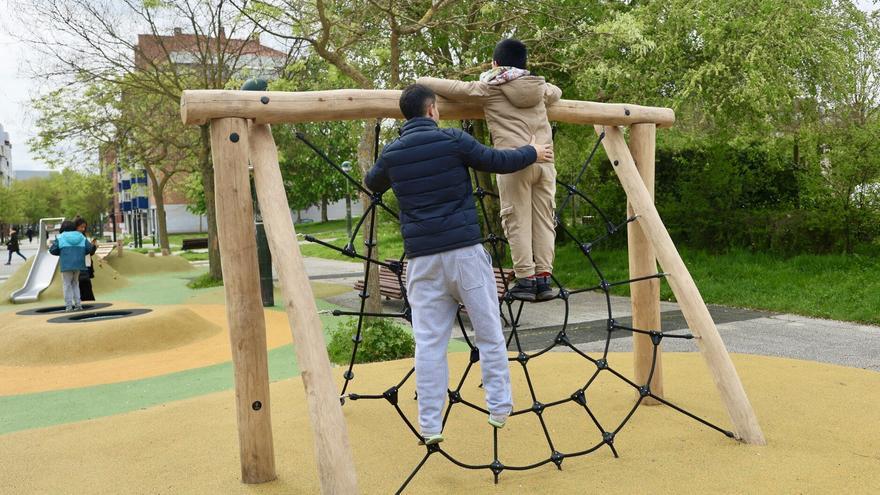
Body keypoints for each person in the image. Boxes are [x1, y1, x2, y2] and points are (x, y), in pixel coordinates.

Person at [365, 84, 553, 445]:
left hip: (422, 262)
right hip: (464, 254)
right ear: (433, 110)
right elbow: (498, 160)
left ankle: (430, 425)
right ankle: (499, 407)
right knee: (489, 333)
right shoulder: (452, 140)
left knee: (430, 343)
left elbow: (372, 182)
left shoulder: (393, 153)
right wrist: (533, 151)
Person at [417, 39, 562, 302]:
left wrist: (420, 79)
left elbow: (452, 88)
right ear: (524, 64)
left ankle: (526, 279)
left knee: (516, 218)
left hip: (514, 162)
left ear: (495, 64)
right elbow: (557, 92)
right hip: (546, 162)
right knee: (543, 220)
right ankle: (544, 278)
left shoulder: (490, 88)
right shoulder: (540, 87)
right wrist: (547, 87)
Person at [49, 220, 96, 311]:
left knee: (67, 284)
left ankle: (69, 306)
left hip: (66, 264)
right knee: (75, 283)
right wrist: (81, 252)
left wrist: (62, 253)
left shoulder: (61, 237)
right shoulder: (81, 236)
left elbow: (52, 250)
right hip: (79, 264)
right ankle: (78, 305)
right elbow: (89, 248)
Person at [74, 218, 97, 302]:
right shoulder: (80, 237)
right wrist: (93, 246)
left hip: (82, 264)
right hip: (83, 265)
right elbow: (89, 250)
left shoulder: (81, 236)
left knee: (81, 287)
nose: (83, 229)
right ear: (76, 227)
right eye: (81, 227)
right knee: (85, 287)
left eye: (84, 227)